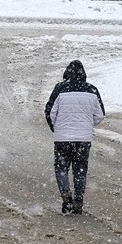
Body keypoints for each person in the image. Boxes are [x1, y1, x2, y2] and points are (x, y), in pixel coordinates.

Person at [44, 60, 105, 215]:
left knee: (61, 168)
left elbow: (49, 112)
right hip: (83, 139)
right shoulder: (92, 90)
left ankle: (66, 197)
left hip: (62, 138)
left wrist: (56, 129)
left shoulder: (60, 89)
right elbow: (99, 115)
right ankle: (78, 202)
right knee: (80, 170)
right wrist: (86, 126)